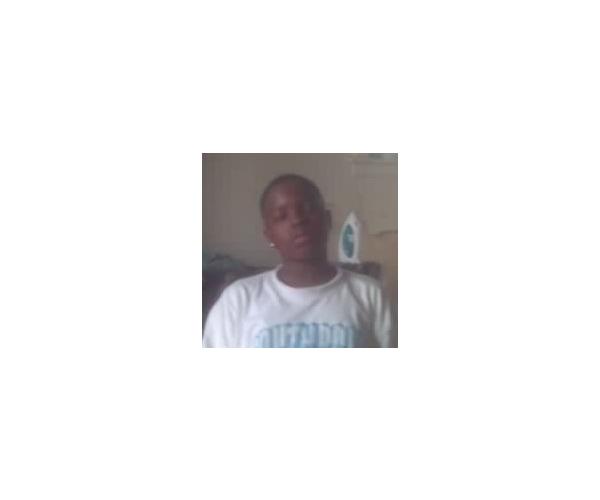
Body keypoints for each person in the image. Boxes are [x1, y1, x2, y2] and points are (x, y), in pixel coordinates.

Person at [202, 174, 393, 348]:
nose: (297, 220)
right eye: (281, 216)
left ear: (327, 220)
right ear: (269, 235)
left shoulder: (370, 294)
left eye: (307, 209)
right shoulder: (238, 298)